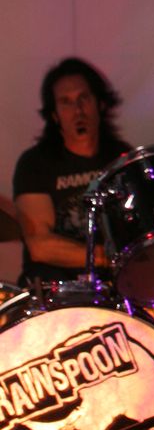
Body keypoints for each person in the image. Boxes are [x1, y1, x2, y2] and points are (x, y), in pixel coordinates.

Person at [13, 57, 131, 286]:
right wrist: (107, 257)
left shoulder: (121, 157)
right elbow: (40, 246)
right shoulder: (34, 163)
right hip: (54, 290)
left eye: (83, 98)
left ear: (100, 104)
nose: (78, 110)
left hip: (112, 287)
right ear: (54, 115)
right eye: (66, 102)